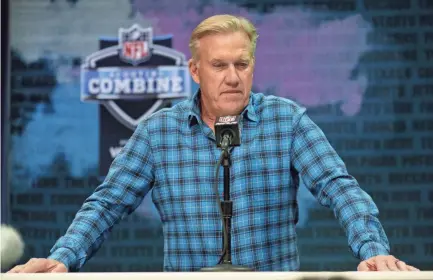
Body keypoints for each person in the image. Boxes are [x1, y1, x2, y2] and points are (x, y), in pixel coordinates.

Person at [8, 14, 419, 273]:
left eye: (242, 64)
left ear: (253, 66)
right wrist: (63, 257)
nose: (233, 76)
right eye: (219, 65)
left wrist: (373, 250)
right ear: (194, 70)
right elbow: (108, 203)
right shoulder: (158, 133)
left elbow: (338, 186)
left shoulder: (288, 120)